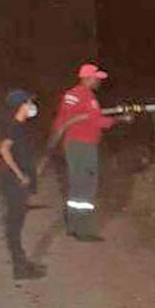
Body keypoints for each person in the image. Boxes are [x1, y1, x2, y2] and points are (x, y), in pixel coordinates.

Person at [52, 63, 131, 242]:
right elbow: (97, 121)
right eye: (97, 78)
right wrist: (120, 119)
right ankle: (83, 230)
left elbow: (62, 119)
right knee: (86, 185)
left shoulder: (72, 95)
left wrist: (62, 141)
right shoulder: (85, 96)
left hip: (74, 144)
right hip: (83, 146)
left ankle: (74, 226)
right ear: (87, 78)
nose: (99, 82)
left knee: (77, 185)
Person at [0, 89, 46, 280]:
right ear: (20, 106)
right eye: (28, 102)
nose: (31, 106)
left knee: (16, 224)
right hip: (13, 184)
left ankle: (22, 263)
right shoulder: (14, 126)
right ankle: (20, 268)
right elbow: (4, 150)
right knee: (14, 226)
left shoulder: (22, 126)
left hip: (17, 183)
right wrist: (20, 175)